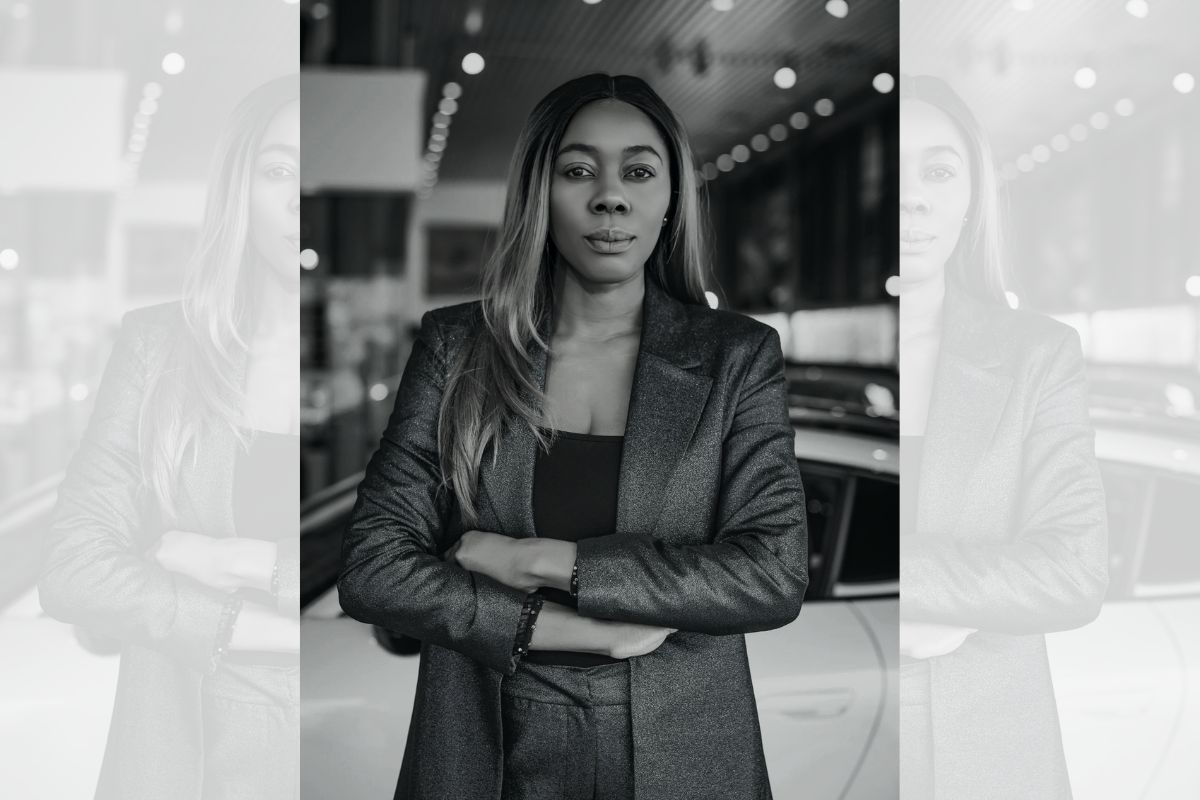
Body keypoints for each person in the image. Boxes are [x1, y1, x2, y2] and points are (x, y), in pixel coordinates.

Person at [338, 73, 809, 800]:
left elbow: (771, 575)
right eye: (579, 170)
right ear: (539, 193)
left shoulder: (735, 356)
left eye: (640, 172)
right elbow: (373, 565)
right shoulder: (457, 346)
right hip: (483, 746)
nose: (610, 196)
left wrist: (542, 561)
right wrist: (576, 631)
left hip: (679, 754)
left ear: (670, 199)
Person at [39, 76, 301, 800]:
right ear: (240, 188)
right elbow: (73, 565)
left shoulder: (415, 367)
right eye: (279, 170)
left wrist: (230, 559)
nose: (298, 200)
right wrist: (267, 627)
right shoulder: (160, 347)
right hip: (182, 754)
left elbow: (410, 571)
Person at [897, 74, 1109, 798]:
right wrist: (950, 600)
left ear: (969, 199)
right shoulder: (767, 360)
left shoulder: (1037, 355)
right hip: (839, 722)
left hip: (993, 753)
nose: (913, 195)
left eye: (939, 170)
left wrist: (896, 585)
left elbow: (1075, 571)